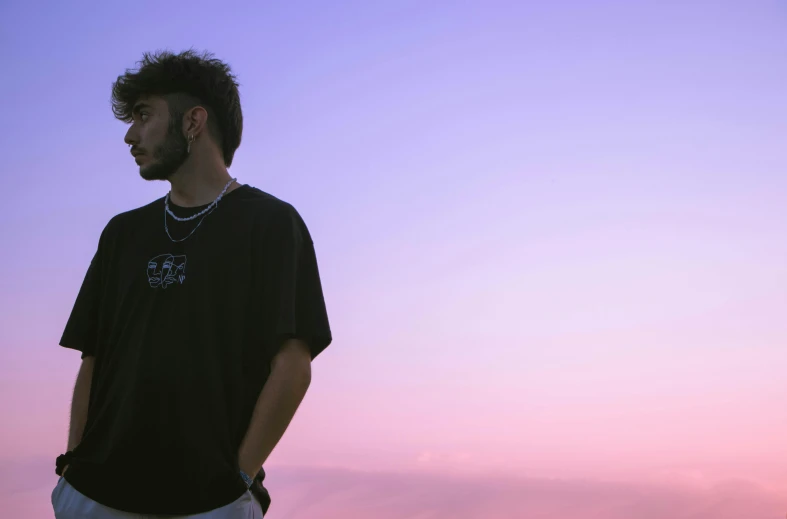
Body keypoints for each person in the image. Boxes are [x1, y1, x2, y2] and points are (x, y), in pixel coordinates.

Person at [50, 49, 332, 518]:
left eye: (144, 115)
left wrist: (237, 481)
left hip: (209, 503)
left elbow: (292, 366)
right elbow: (92, 358)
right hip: (95, 496)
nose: (129, 135)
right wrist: (72, 470)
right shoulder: (122, 233)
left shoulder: (271, 224)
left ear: (193, 121)